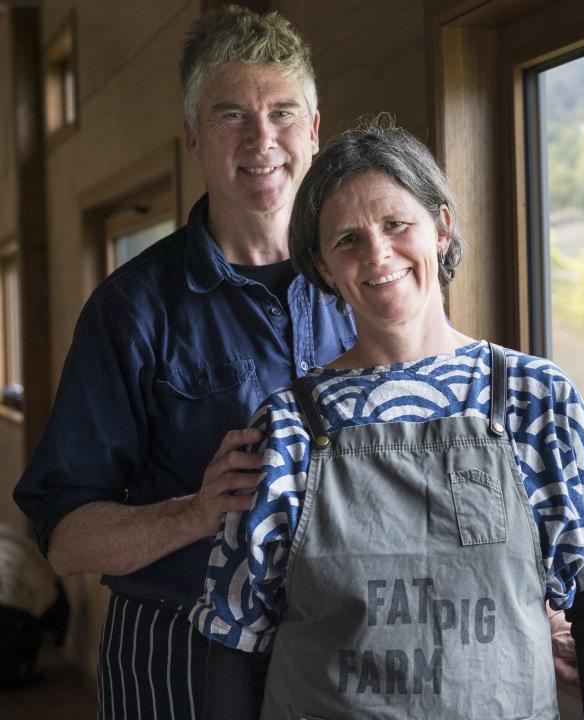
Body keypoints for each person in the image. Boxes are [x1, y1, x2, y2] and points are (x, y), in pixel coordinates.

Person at [189, 121, 584, 719]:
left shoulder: (537, 401)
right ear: (325, 268)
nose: (376, 254)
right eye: (347, 239)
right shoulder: (286, 430)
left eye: (396, 224)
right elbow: (234, 637)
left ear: (442, 227)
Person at [11, 8, 347, 718]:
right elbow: (65, 539)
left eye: (283, 112)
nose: (262, 139)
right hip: (177, 658)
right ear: (194, 135)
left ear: (313, 131)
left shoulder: (364, 286)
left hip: (337, 653)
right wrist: (193, 512)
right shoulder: (130, 309)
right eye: (232, 114)